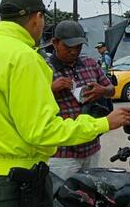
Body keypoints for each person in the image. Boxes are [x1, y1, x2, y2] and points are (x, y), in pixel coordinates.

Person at [0, 0, 130, 207]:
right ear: (37, 18)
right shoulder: (25, 58)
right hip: (19, 183)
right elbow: (42, 131)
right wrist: (103, 123)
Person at [46, 20, 116, 180]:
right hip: (61, 153)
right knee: (62, 199)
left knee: (91, 197)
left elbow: (111, 90)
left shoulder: (90, 64)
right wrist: (50, 89)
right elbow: (31, 102)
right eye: (68, 47)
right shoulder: (44, 68)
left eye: (78, 47)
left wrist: (102, 90)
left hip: (91, 147)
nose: (74, 51)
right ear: (55, 43)